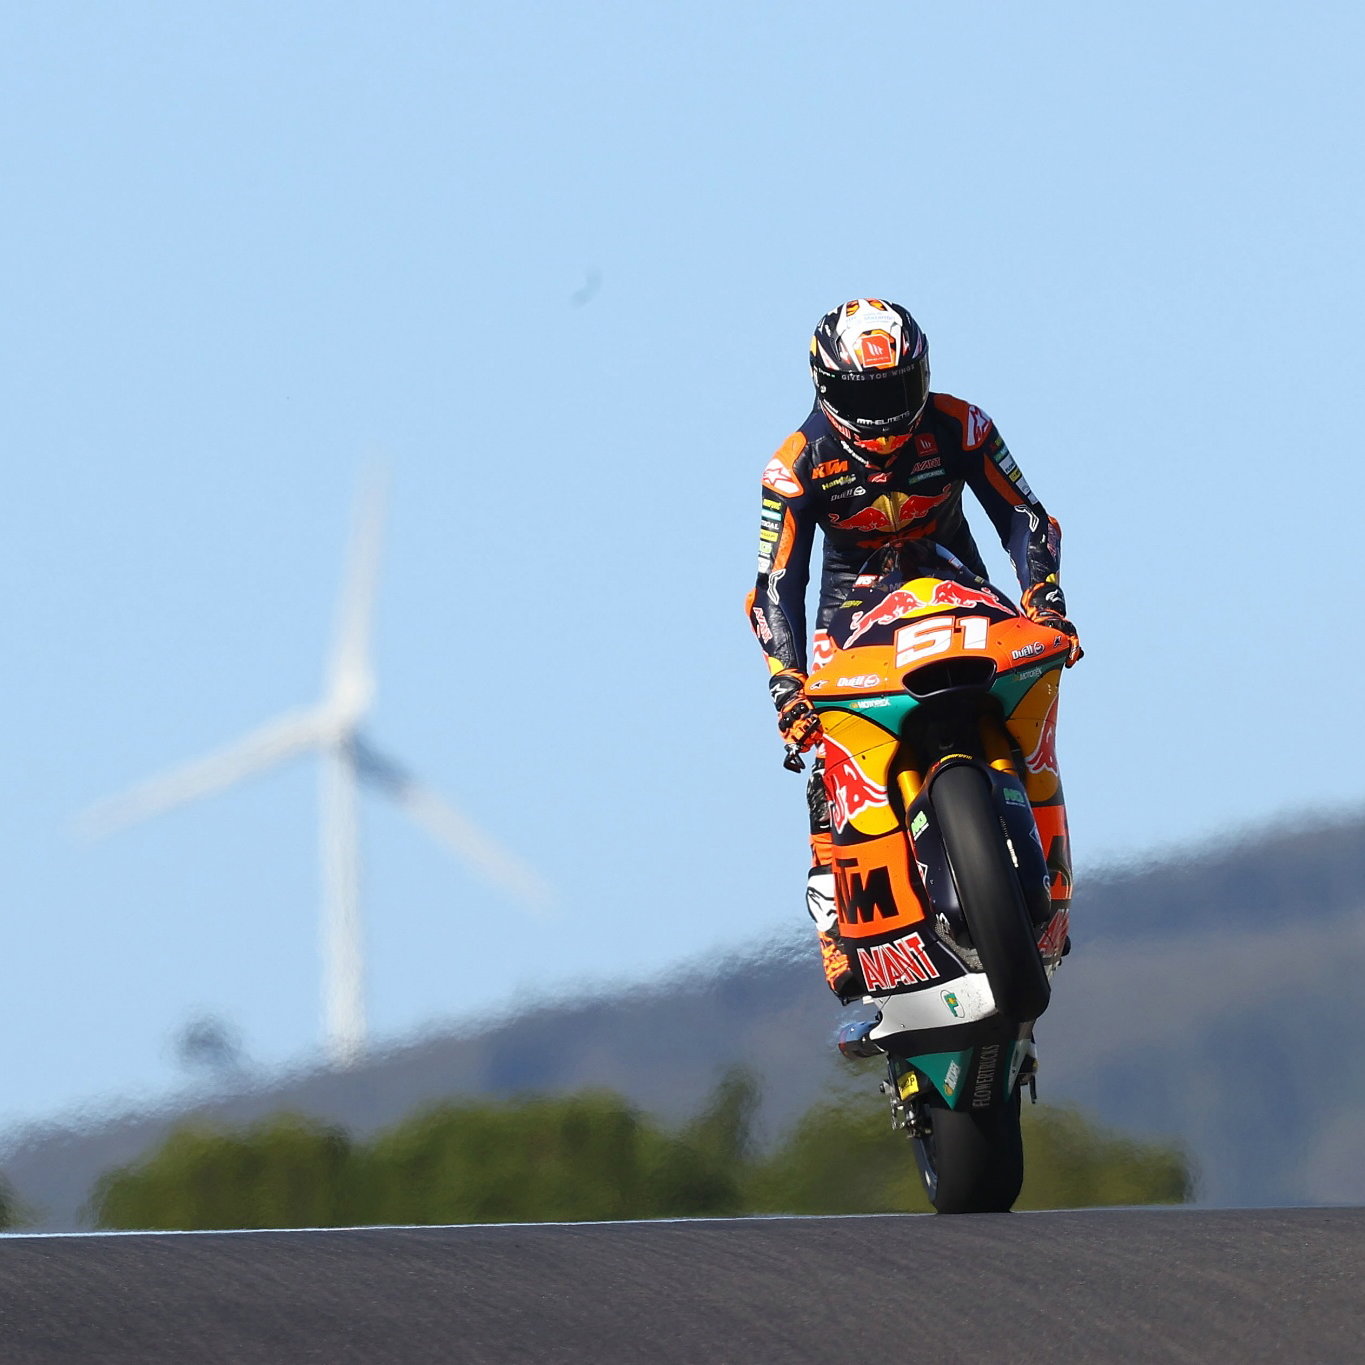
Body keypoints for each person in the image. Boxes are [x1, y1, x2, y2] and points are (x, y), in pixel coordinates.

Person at [744, 298, 1081, 1001]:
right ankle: (839, 924)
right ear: (824, 388)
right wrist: (787, 683)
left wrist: (1044, 599)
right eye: (863, 396)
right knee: (831, 762)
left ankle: (1041, 872)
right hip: (851, 620)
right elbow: (776, 581)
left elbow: (1022, 515)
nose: (883, 414)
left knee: (1030, 697)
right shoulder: (792, 467)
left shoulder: (963, 424)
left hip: (960, 592)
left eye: (897, 391)